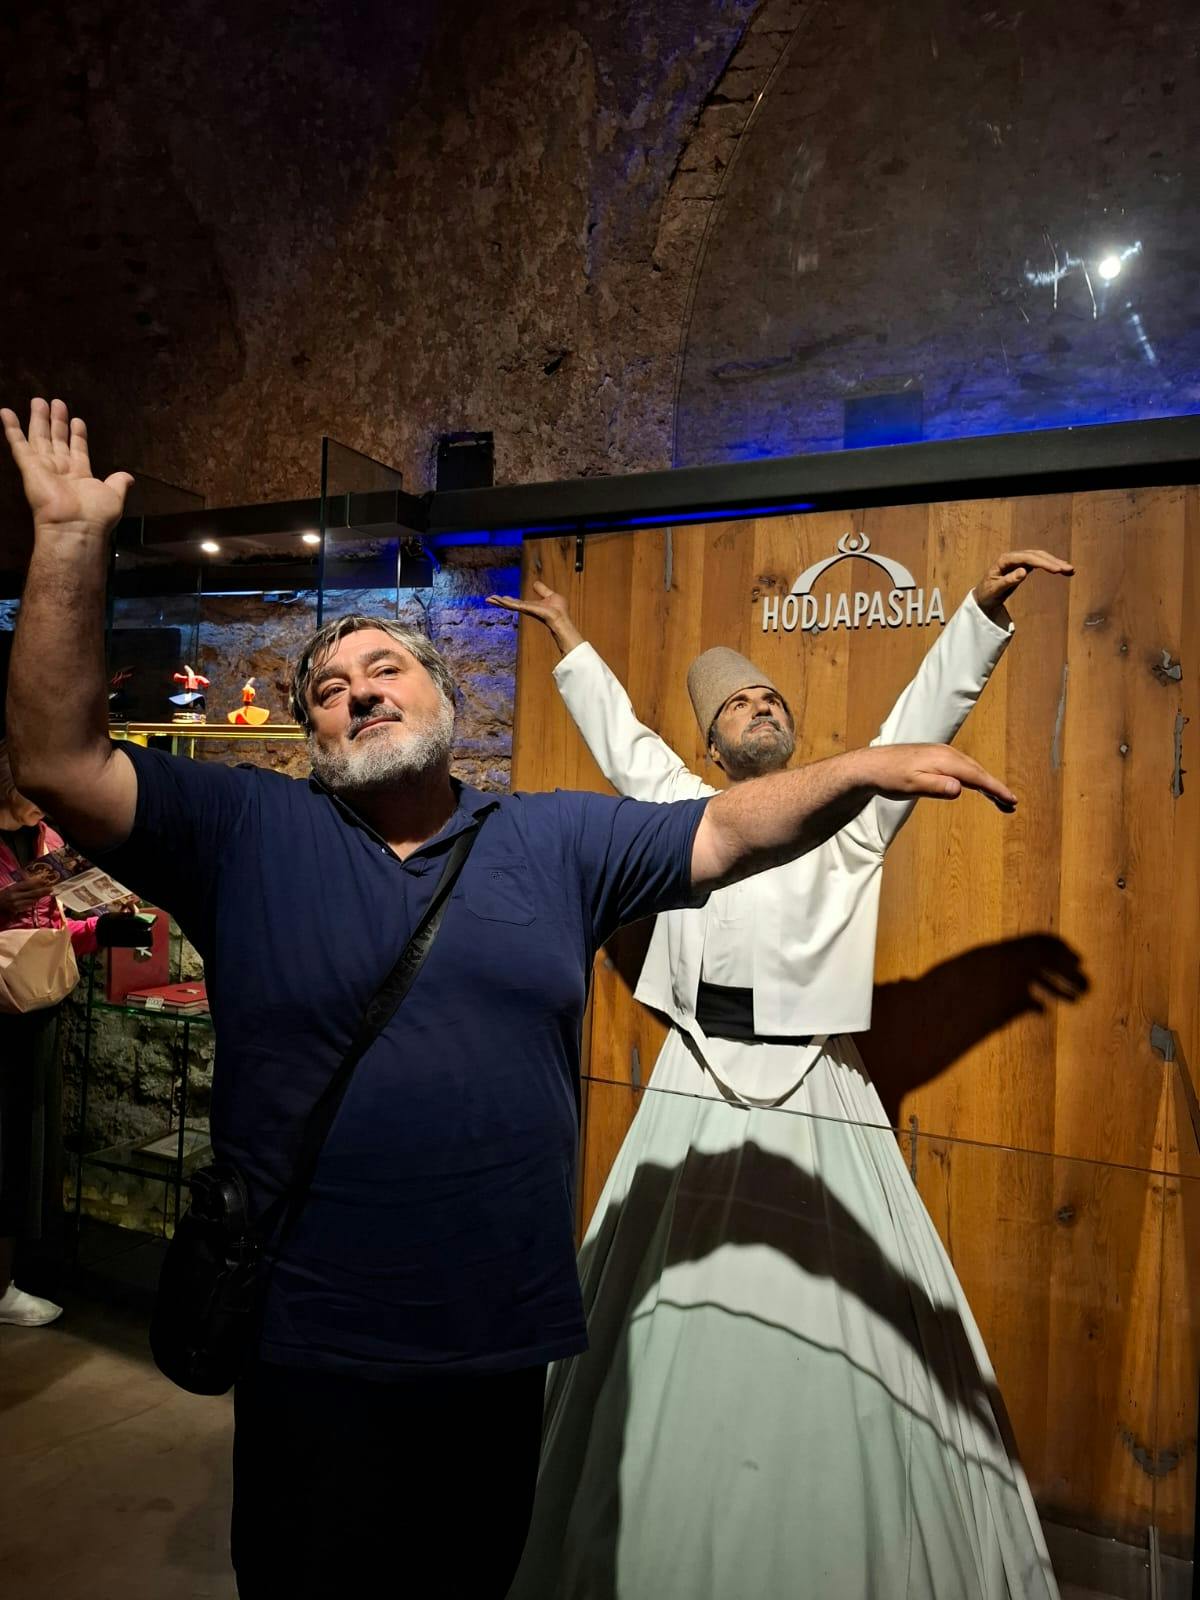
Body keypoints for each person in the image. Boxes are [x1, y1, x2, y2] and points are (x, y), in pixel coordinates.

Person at [2, 397, 1016, 1600]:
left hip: (494, 1344)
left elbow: (724, 828)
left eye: (386, 668)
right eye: (328, 686)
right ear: (310, 728)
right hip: (311, 1344)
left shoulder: (553, 842)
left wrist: (861, 769)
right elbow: (58, 761)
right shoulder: (246, 830)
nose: (359, 691)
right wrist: (69, 542)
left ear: (450, 703)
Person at [491, 553, 1071, 1600]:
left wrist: (980, 614)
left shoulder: (850, 819)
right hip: (692, 1081)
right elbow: (620, 734)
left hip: (817, 1083)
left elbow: (916, 718)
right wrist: (569, 635)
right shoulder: (677, 806)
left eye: (771, 697)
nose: (760, 705)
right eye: (737, 704)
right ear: (709, 746)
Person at [0, 741, 150, 1326]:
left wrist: (104, 926)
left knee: (23, 1150)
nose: (48, 803)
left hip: (36, 1012)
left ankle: (5, 1283)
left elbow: (57, 932)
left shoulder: (46, 840)